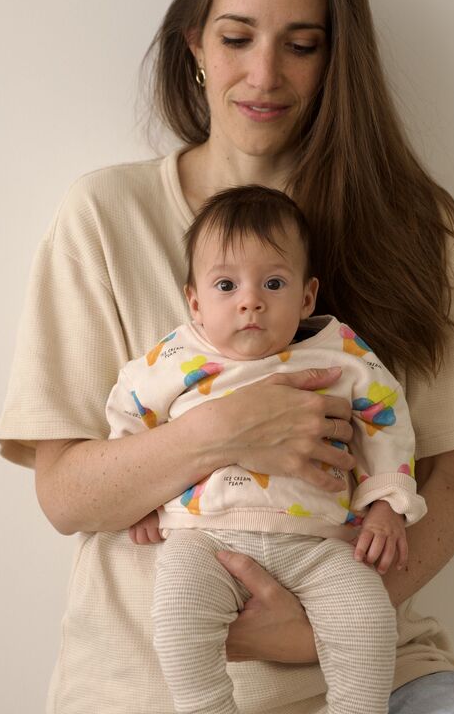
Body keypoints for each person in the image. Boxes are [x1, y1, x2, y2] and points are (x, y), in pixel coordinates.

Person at [0, 0, 454, 711]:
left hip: (370, 667)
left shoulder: (415, 227)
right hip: (154, 682)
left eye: (302, 43)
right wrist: (222, 430)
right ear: (194, 44)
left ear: (335, 56)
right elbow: (66, 495)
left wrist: (319, 626)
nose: (265, 75)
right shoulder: (104, 217)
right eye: (237, 37)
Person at [115, 185, 425, 714]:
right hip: (204, 538)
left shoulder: (340, 353)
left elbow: (386, 418)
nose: (250, 300)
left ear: (306, 297)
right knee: (177, 614)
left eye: (274, 283)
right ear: (195, 300)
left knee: (368, 618)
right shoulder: (175, 357)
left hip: (320, 543)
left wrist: (384, 505)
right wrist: (139, 497)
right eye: (226, 284)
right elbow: (128, 412)